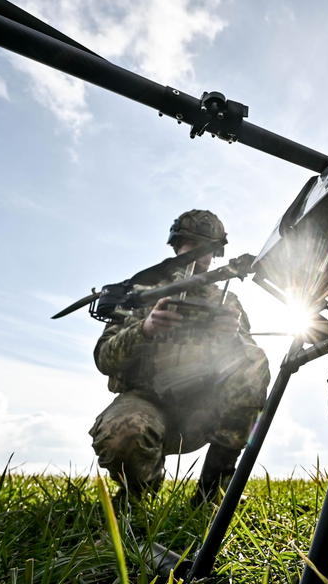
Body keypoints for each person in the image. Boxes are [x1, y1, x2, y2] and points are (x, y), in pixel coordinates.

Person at [89, 210, 270, 503]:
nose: (199, 255)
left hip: (203, 410)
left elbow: (251, 364)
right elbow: (104, 358)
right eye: (190, 244)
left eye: (207, 248)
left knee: (253, 363)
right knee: (124, 433)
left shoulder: (228, 301)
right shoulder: (142, 293)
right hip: (147, 402)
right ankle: (138, 496)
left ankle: (213, 491)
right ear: (176, 246)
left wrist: (231, 336)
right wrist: (145, 329)